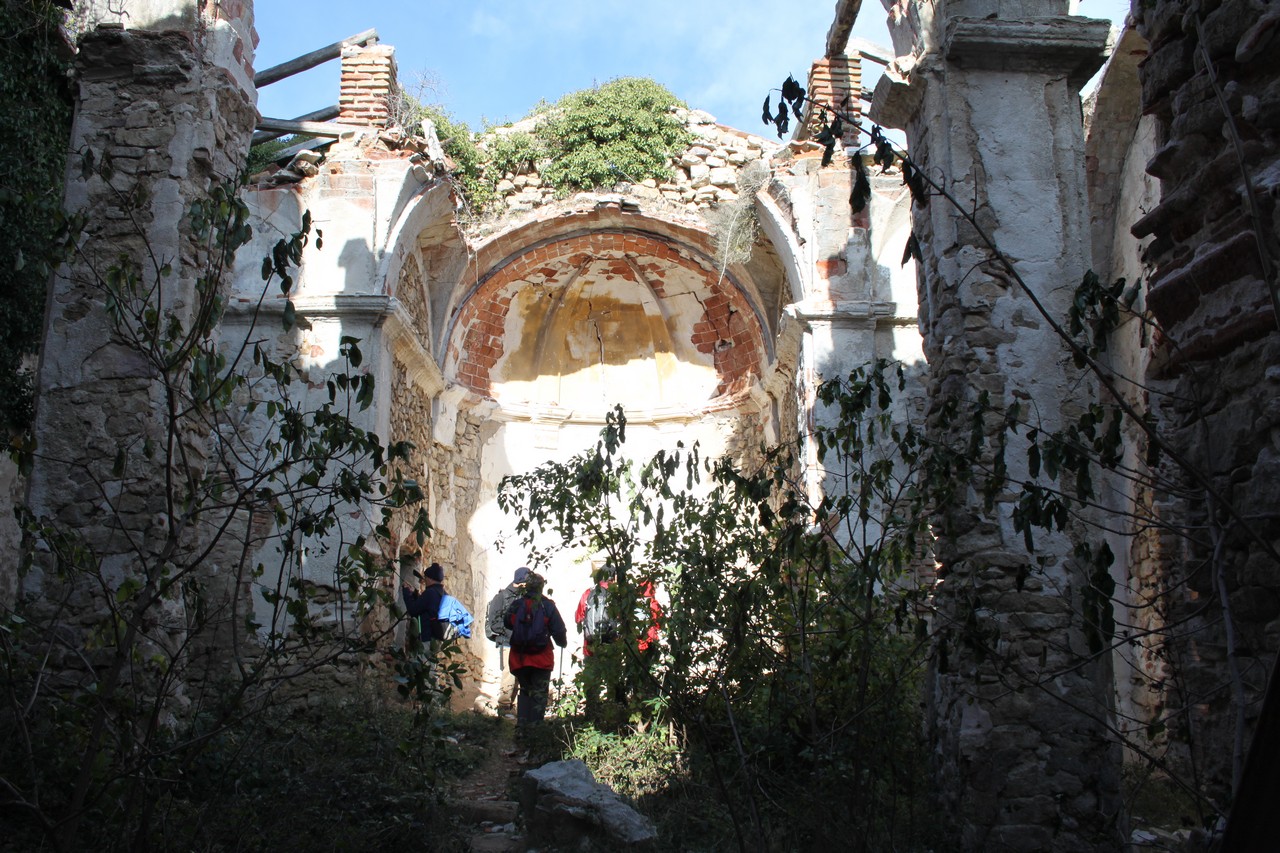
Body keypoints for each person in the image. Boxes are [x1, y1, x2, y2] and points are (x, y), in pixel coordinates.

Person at [504, 572, 567, 726]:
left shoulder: (517, 604)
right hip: (541, 658)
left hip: (520, 658)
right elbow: (558, 630)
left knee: (525, 690)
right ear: (541, 587)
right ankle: (536, 728)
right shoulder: (548, 606)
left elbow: (507, 623)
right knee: (539, 693)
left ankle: (522, 727)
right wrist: (562, 643)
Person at [485, 567, 530, 712]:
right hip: (507, 642)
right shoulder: (501, 597)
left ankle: (516, 707)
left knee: (521, 674)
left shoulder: (524, 597)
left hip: (522, 642)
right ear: (521, 581)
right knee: (509, 674)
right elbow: (494, 622)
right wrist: (511, 633)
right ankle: (504, 706)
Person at [402, 559, 447, 643]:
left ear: (430, 579)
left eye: (425, 577)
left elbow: (413, 610)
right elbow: (426, 606)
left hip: (427, 638)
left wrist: (406, 591)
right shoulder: (444, 594)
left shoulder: (430, 593)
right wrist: (414, 595)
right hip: (438, 639)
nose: (424, 580)